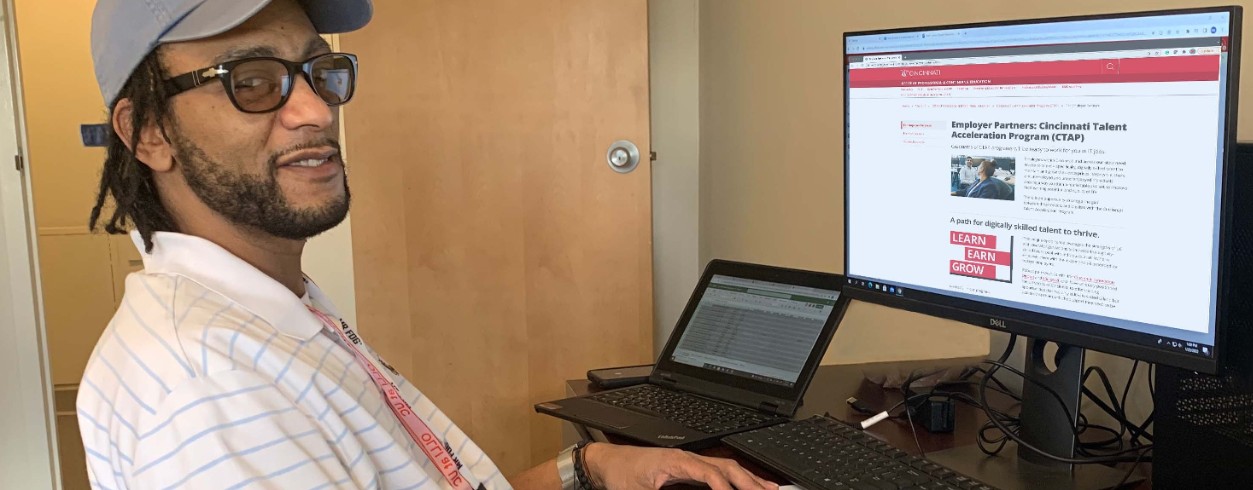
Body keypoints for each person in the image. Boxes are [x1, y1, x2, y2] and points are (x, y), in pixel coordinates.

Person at [78, 1, 778, 489]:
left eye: (319, 72)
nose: (317, 111)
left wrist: (589, 471)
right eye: (251, 82)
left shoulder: (273, 315)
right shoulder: (209, 393)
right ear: (148, 134)